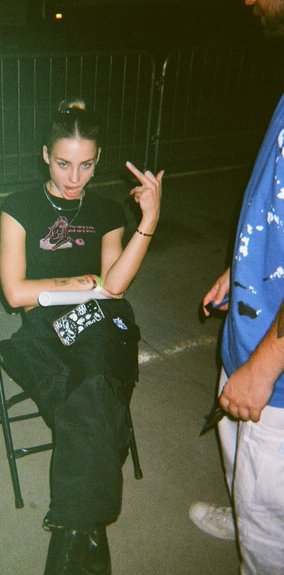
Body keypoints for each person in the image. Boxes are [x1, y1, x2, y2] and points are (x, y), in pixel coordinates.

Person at [0, 98, 163, 574]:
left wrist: (148, 222)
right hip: (46, 327)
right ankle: (85, 527)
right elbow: (15, 293)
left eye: (86, 165)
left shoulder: (107, 211)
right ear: (45, 155)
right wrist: (80, 282)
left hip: (102, 321)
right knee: (95, 392)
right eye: (64, 164)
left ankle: (72, 532)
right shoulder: (19, 208)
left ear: (98, 159)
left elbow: (115, 286)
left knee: (90, 378)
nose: (75, 178)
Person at [189, 1, 284, 573]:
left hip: (276, 373)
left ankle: (261, 535)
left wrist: (267, 365)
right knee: (241, 468)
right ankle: (246, 514)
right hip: (252, 326)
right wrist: (243, 270)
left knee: (271, 521)